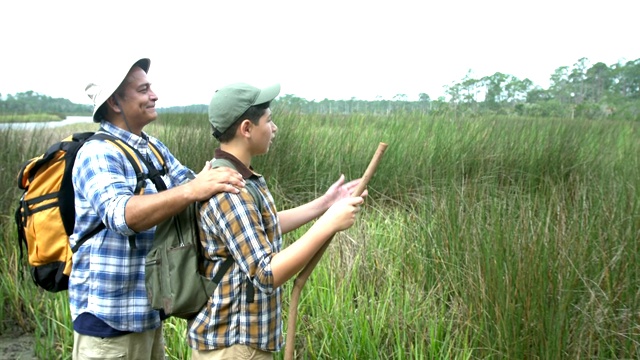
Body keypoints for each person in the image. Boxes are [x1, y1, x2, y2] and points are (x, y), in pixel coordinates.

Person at [69, 57, 245, 359]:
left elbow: (196, 189)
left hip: (146, 316)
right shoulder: (96, 153)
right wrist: (192, 189)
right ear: (114, 102)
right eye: (143, 90)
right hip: (109, 324)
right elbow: (120, 215)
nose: (154, 96)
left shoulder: (152, 148)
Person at [188, 82, 366, 359]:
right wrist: (328, 223)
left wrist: (325, 203)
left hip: (242, 343)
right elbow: (266, 273)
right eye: (269, 121)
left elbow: (258, 229)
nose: (274, 128)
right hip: (235, 346)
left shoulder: (239, 176)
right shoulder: (231, 190)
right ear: (247, 129)